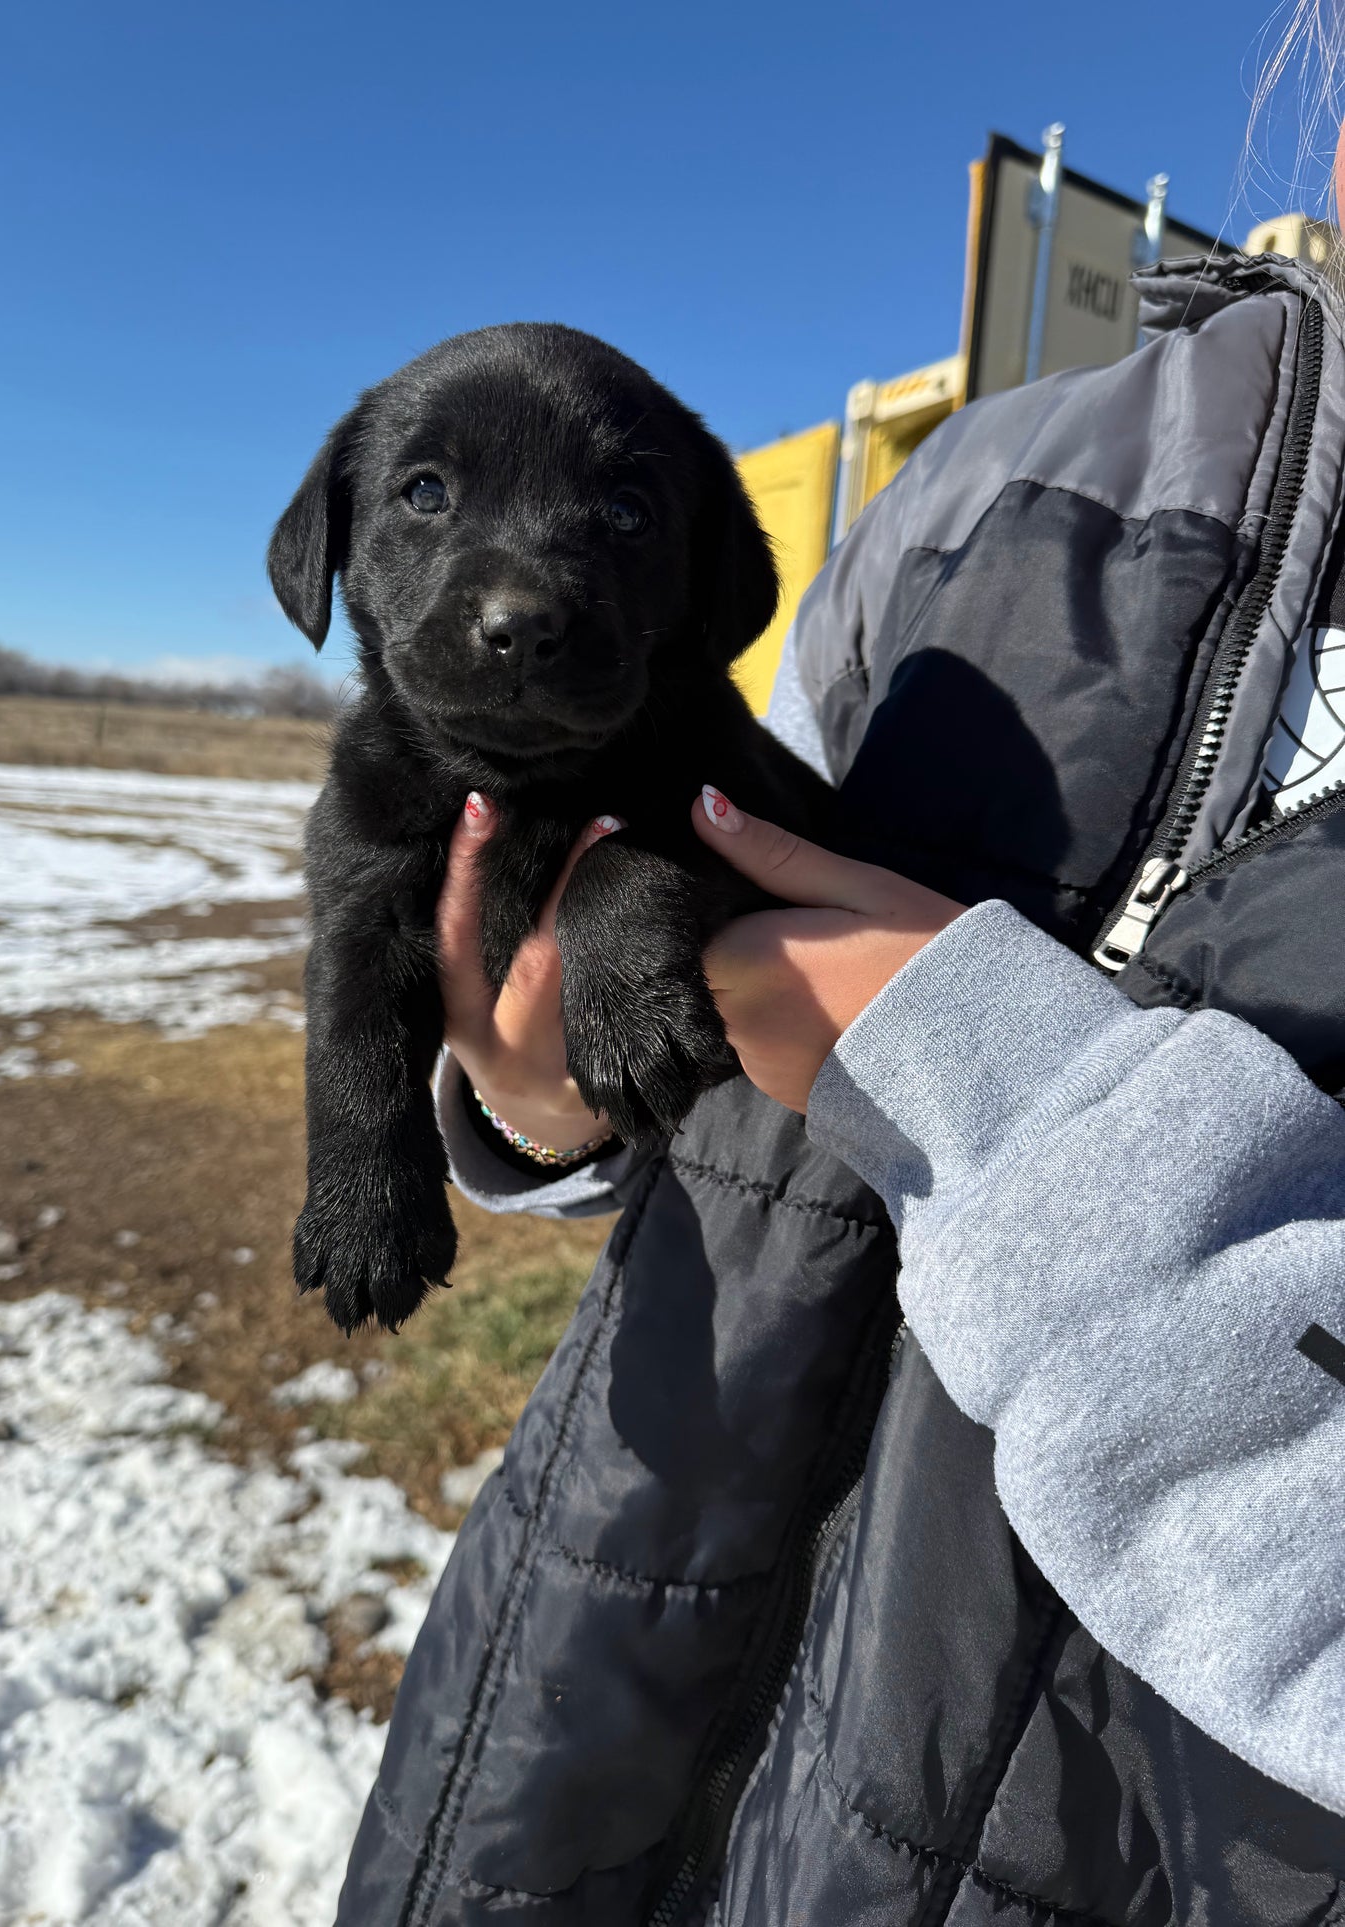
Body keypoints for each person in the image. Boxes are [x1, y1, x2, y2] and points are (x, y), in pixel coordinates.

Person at [335, 66, 1345, 1927]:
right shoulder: (994, 492)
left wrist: (981, 1076)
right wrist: (534, 1108)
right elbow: (711, 864)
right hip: (676, 1608)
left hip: (1184, 1822)